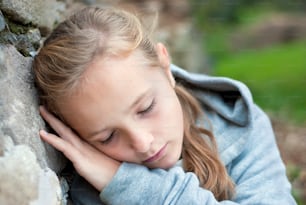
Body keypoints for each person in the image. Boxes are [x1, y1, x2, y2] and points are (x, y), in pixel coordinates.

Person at [32, 6, 297, 205]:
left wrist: (132, 186)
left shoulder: (240, 122)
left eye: (146, 108)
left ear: (164, 65)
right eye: (108, 137)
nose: (143, 142)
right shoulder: (82, 184)